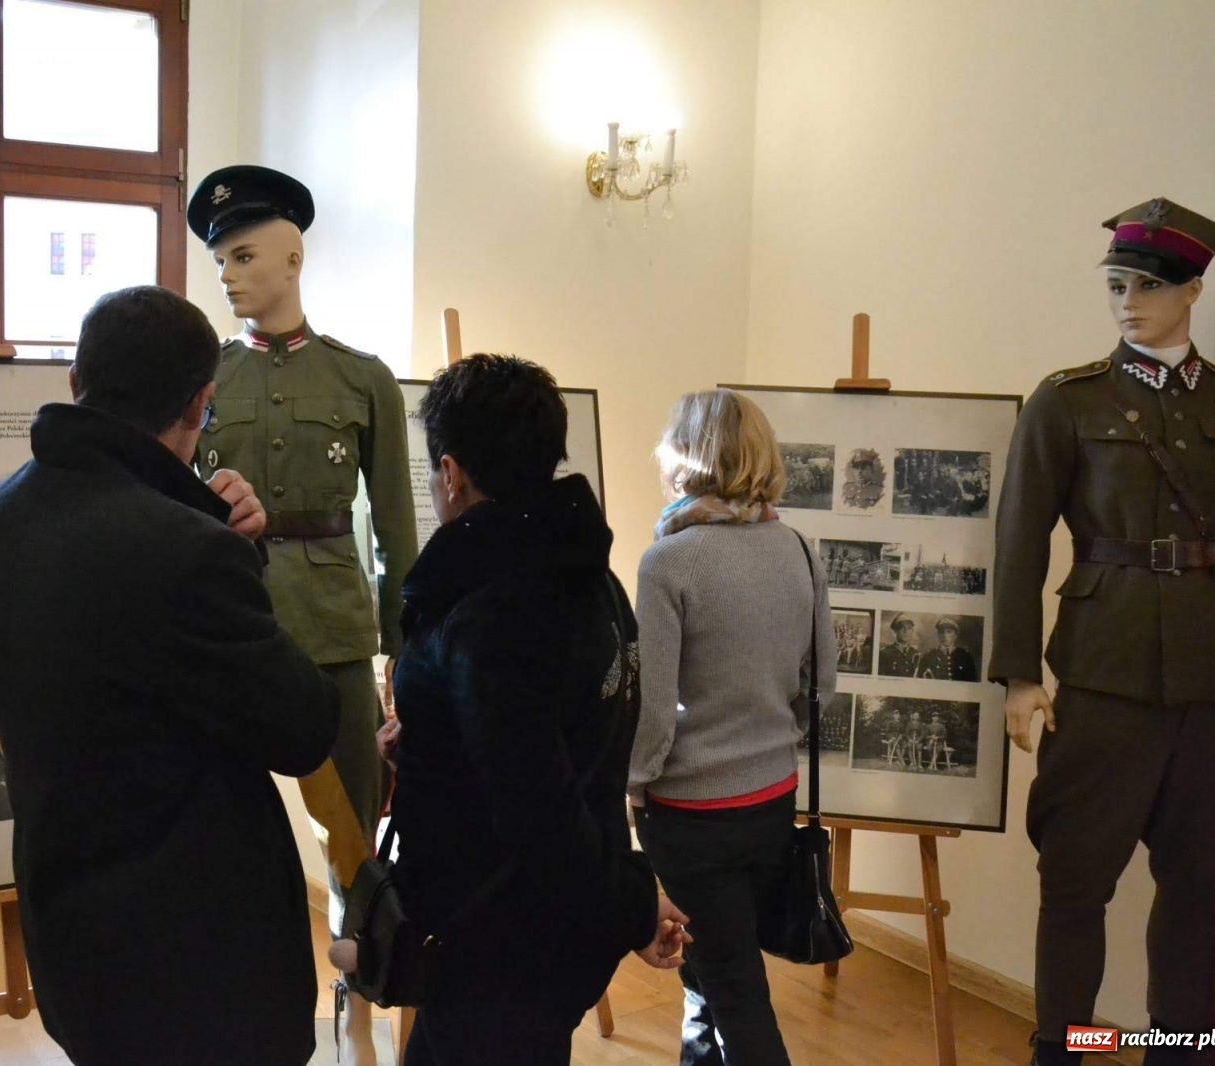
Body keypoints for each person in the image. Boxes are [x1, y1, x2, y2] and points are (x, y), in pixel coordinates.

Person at [0, 284, 341, 1066]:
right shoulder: (187, 551)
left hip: (73, 929)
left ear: (76, 380)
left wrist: (198, 522)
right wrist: (233, 551)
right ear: (201, 403)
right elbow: (302, 727)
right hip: (195, 962)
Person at [378, 354, 685, 1065]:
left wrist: (635, 906)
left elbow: (538, 807)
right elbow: (576, 748)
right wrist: (425, 743)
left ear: (451, 473)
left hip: (500, 942)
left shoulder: (491, 610)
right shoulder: (591, 577)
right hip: (541, 937)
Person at [187, 164, 419, 1062]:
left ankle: (359, 1005)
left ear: (292, 256)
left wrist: (401, 649)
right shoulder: (202, 378)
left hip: (329, 636)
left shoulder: (362, 383)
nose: (233, 276)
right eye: (221, 263)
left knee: (352, 835)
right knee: (221, 834)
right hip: (231, 633)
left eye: (245, 255)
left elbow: (396, 528)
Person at [991, 198, 1215, 1066]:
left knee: (1198, 894)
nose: (1130, 301)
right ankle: (1067, 1049)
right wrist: (1019, 678)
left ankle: (1177, 1049)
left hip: (1211, 690)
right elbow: (1019, 543)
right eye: (1118, 284)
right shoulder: (1067, 400)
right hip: (1099, 679)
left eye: (1151, 285)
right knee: (1075, 888)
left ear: (1194, 289)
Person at [627, 388, 836, 1066]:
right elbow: (822, 690)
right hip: (772, 800)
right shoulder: (799, 549)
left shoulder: (669, 562)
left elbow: (654, 714)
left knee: (737, 997)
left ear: (687, 457)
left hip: (692, 818)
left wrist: (628, 792)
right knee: (711, 982)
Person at [919, 617, 978, 681]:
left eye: (949, 632)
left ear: (955, 635)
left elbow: (972, 680)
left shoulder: (965, 656)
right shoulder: (929, 656)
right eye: (942, 632)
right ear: (938, 634)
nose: (945, 635)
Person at [879, 613, 923, 677]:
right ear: (896, 631)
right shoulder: (885, 653)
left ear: (912, 631)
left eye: (909, 628)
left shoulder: (916, 654)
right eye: (902, 628)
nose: (906, 631)